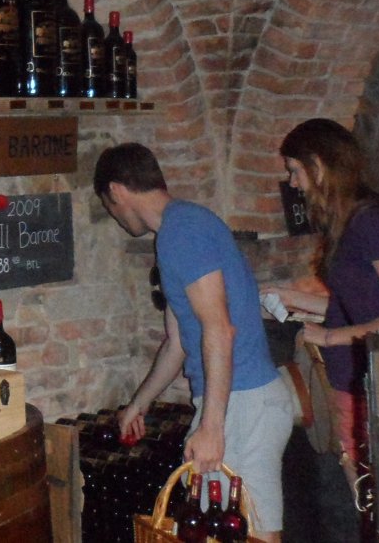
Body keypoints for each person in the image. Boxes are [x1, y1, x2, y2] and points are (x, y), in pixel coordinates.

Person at [95, 143, 293, 543]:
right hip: (241, 402)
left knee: (251, 536)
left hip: (243, 405)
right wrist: (139, 403)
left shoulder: (181, 232)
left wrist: (212, 427)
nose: (114, 217)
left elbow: (220, 329)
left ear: (116, 191)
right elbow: (179, 343)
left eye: (108, 206)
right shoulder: (180, 228)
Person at [262, 119, 379, 491]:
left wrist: (330, 337)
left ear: (318, 165)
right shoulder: (348, 222)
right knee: (362, 486)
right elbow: (359, 303)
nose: (292, 183)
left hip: (378, 378)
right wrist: (292, 298)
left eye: (295, 170)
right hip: (355, 375)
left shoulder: (372, 223)